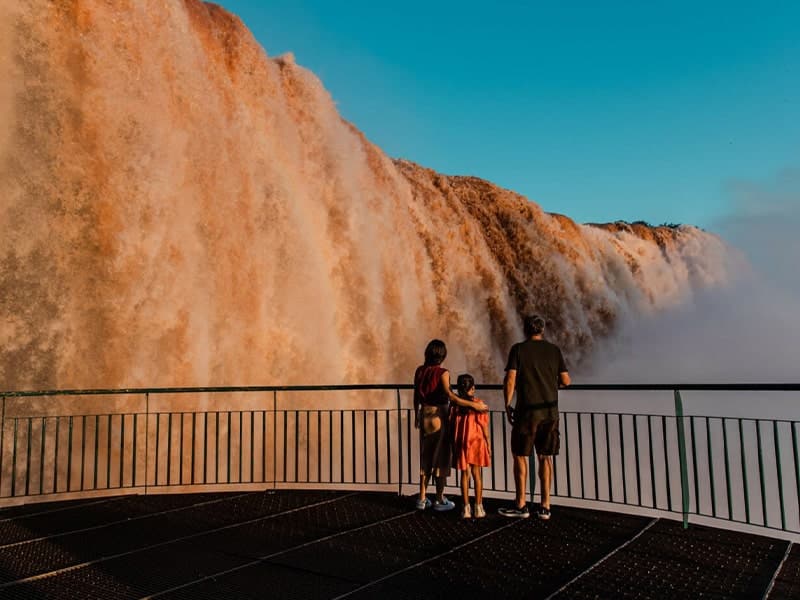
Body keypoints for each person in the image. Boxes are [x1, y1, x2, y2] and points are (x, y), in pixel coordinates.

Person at [499, 315, 570, 520]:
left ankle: (521, 505)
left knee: (520, 456)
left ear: (525, 330)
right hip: (550, 412)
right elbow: (566, 380)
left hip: (526, 412)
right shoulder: (554, 350)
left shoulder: (518, 349)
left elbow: (510, 377)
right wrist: (550, 385)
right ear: (542, 330)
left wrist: (506, 404)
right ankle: (545, 506)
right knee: (545, 457)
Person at [414, 339, 488, 512]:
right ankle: (439, 499)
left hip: (424, 414)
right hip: (439, 415)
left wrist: (416, 414)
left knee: (426, 457)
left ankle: (422, 498)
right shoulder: (442, 372)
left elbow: (416, 394)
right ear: (442, 355)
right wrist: (473, 405)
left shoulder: (419, 370)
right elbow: (451, 396)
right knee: (440, 458)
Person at [451, 373, 491, 519]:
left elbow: (451, 424)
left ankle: (466, 508)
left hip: (461, 442)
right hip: (476, 442)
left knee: (464, 475)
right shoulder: (479, 404)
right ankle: (478, 507)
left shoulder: (455, 406)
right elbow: (484, 428)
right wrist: (488, 444)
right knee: (477, 475)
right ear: (472, 388)